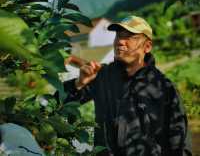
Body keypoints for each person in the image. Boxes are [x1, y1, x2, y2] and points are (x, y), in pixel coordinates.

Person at [60, 15, 192, 156]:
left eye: (130, 37)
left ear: (147, 47)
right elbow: (58, 106)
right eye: (118, 36)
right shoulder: (102, 76)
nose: (120, 42)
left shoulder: (162, 87)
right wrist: (79, 84)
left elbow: (180, 140)